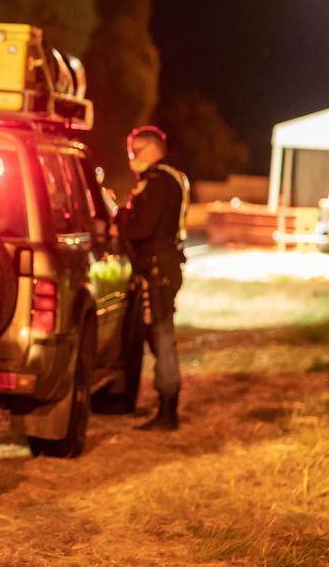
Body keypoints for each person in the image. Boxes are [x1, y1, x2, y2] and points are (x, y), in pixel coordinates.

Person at [115, 126, 190, 431]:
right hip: (164, 266)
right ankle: (166, 405)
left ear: (148, 150)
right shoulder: (171, 178)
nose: (130, 159)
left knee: (162, 338)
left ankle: (168, 409)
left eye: (133, 152)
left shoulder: (157, 183)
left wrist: (119, 221)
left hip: (158, 270)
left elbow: (141, 229)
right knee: (159, 337)